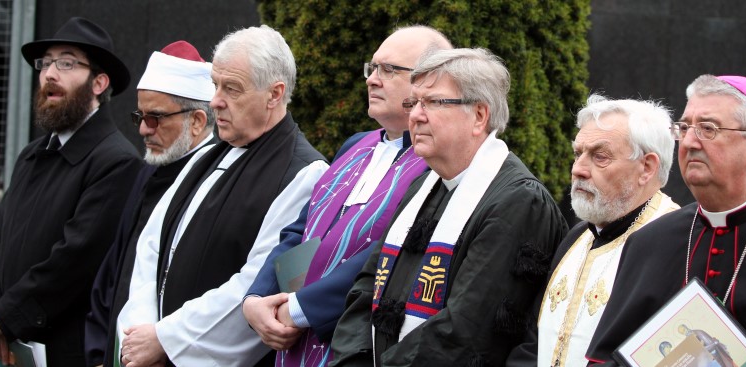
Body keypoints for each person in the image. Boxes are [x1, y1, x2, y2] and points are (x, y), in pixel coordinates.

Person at [330, 48, 568, 367]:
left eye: (434, 102)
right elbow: (366, 288)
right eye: (414, 103)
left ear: (480, 116)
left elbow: (466, 329)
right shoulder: (423, 186)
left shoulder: (519, 201)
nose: (415, 116)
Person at [116, 26, 328, 367]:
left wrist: (167, 340)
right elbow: (152, 246)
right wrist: (141, 330)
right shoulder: (206, 156)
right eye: (215, 85)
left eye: (231, 88)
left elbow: (261, 284)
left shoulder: (305, 174)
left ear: (274, 94)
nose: (215, 100)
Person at [242, 25, 452, 367]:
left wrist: (300, 309)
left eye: (389, 70)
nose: (371, 79)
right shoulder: (356, 145)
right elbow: (302, 231)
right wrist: (256, 297)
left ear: (428, 82)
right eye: (372, 67)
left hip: (352, 343)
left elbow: (387, 253)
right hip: (291, 335)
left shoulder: (436, 164)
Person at [586, 75, 746, 365]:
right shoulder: (648, 242)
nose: (688, 141)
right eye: (684, 127)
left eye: (708, 129)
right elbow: (604, 359)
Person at [0, 17, 143, 366]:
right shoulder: (32, 154)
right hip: (6, 346)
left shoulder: (116, 161)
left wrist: (4, 317)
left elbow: (74, 261)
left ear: (99, 82)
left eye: (66, 63)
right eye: (45, 63)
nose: (50, 73)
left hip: (65, 352)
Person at [505, 95, 680, 367]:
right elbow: (534, 342)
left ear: (647, 167)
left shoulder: (677, 244)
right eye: (578, 154)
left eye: (599, 157)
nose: (578, 169)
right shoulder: (577, 238)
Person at [84, 40, 218, 367]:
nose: (144, 129)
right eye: (140, 116)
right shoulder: (147, 173)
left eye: (155, 118)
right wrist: (99, 350)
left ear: (198, 121)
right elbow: (112, 273)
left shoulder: (214, 183)